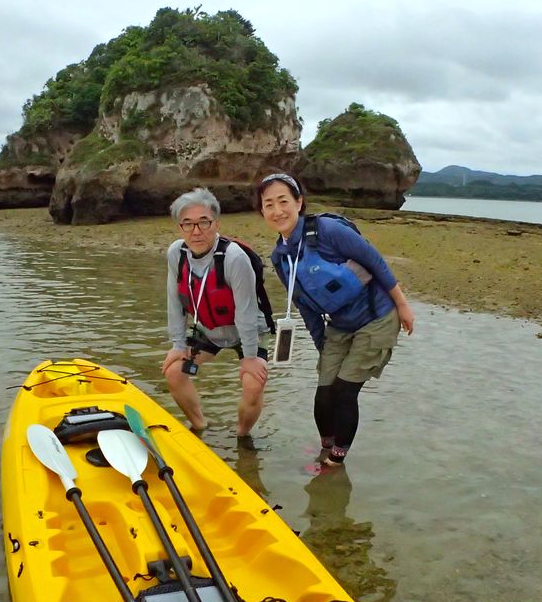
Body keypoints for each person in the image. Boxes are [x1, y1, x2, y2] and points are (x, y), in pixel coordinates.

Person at [255, 173, 414, 465]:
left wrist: (402, 305)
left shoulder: (327, 230)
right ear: (262, 211)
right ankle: (325, 447)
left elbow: (374, 260)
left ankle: (335, 461)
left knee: (343, 391)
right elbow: (304, 305)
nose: (278, 211)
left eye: (284, 201)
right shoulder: (280, 257)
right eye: (269, 205)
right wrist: (323, 347)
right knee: (324, 392)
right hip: (339, 326)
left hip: (376, 317)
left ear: (299, 202)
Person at [162, 187, 271, 436]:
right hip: (209, 329)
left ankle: (243, 436)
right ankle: (200, 427)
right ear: (180, 228)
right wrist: (178, 345)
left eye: (204, 222)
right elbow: (175, 301)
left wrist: (251, 358)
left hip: (247, 331)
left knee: (254, 383)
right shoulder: (176, 254)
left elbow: (245, 310)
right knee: (173, 372)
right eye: (187, 224)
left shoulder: (234, 258)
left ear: (216, 223)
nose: (196, 231)